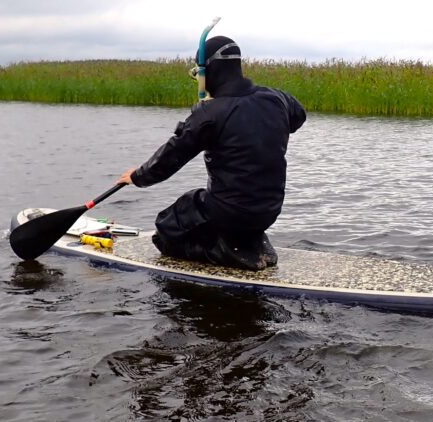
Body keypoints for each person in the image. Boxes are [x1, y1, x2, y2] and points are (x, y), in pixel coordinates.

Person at [117, 33, 306, 271]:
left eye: (198, 73)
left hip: (229, 212)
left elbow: (172, 156)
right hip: (269, 210)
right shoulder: (278, 98)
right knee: (204, 207)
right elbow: (298, 117)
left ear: (210, 72)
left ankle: (230, 254)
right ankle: (250, 242)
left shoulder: (210, 114)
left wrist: (137, 177)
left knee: (167, 226)